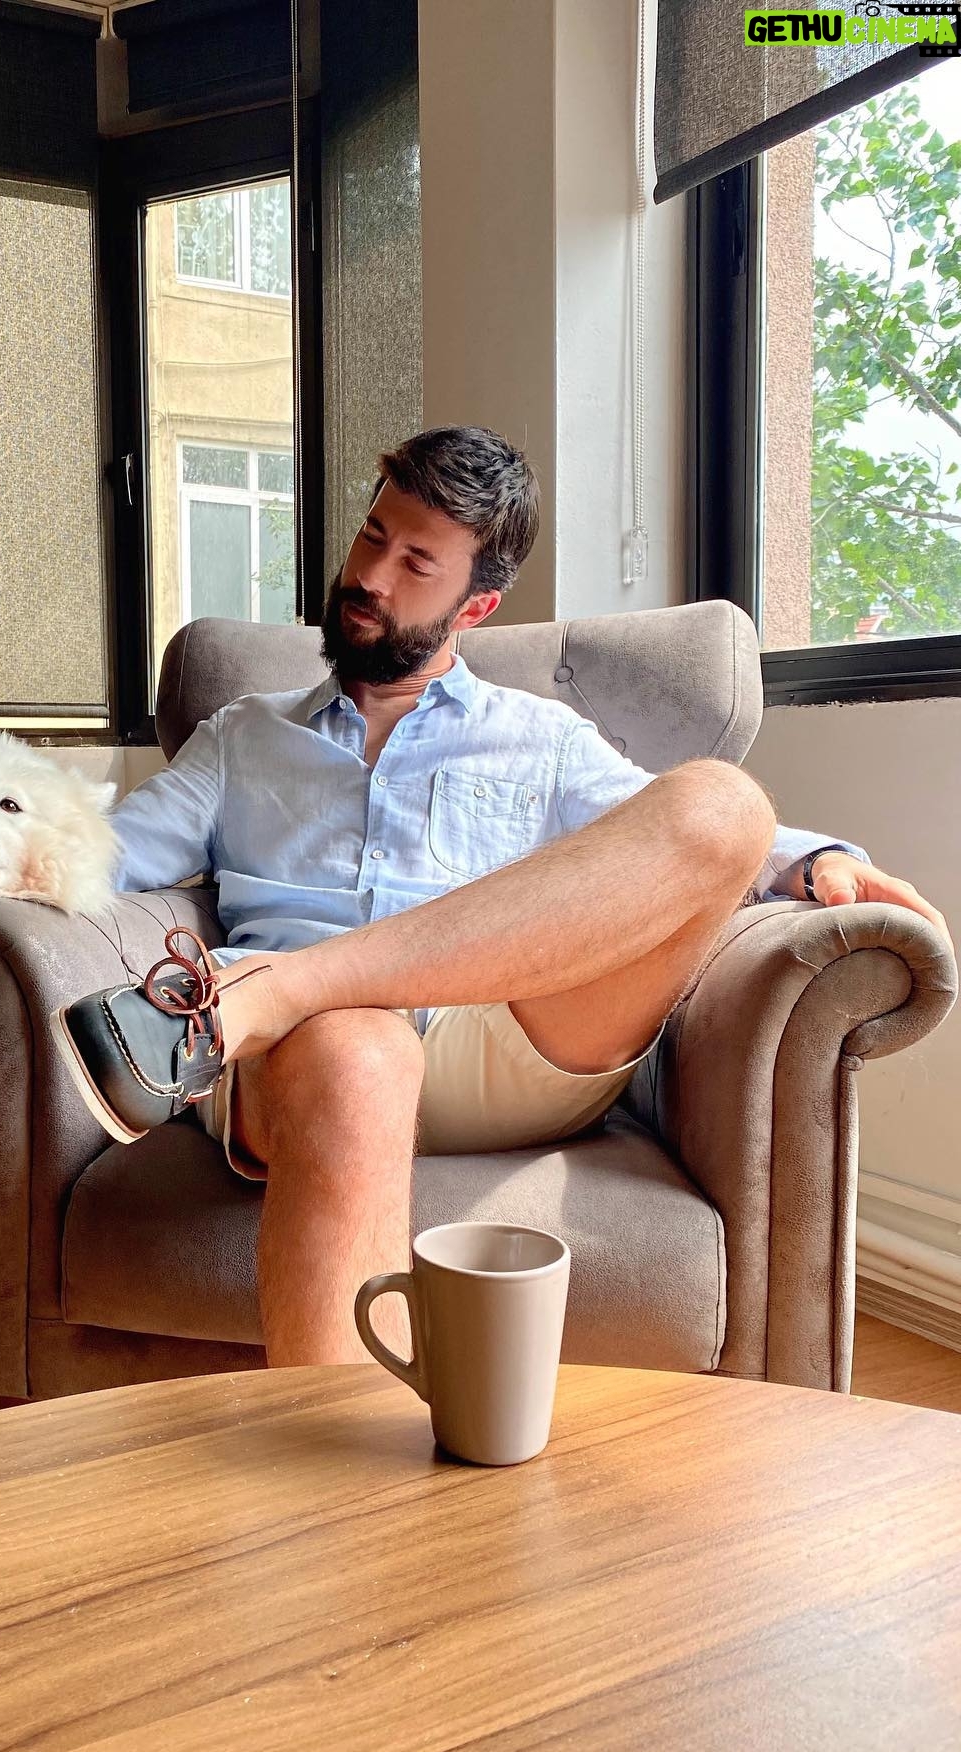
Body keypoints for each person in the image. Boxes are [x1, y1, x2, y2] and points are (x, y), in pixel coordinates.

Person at [52, 425, 952, 1367]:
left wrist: (819, 860)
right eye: (372, 537)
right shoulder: (241, 736)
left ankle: (277, 986)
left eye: (417, 564)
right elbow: (94, 857)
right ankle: (349, 1461)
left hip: (501, 1047)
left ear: (476, 605)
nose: (371, 576)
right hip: (304, 1060)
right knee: (357, 1048)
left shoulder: (544, 739)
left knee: (725, 803)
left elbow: (682, 840)